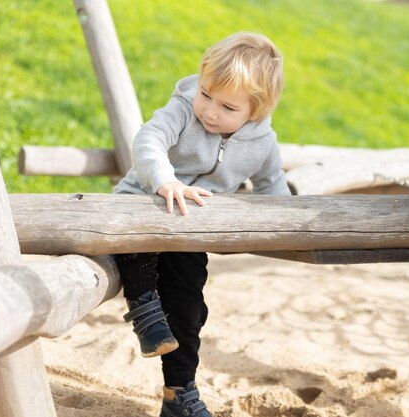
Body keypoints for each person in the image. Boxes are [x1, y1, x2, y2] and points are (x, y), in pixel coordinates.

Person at [112, 32, 289, 417]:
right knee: (135, 245)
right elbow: (149, 139)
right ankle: (143, 308)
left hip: (190, 232)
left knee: (188, 311)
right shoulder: (182, 110)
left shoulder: (262, 142)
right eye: (206, 94)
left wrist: (293, 223)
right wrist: (165, 180)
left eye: (227, 107)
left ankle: (180, 395)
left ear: (254, 112)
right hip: (143, 208)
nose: (209, 110)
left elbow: (271, 186)